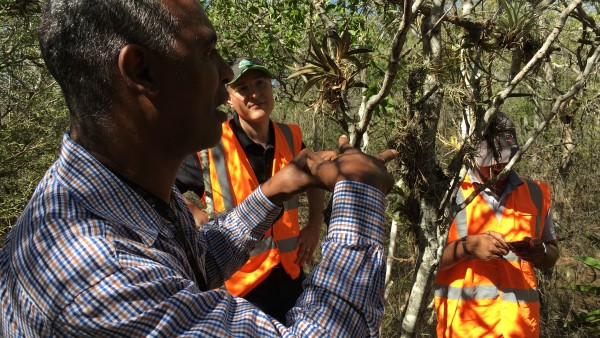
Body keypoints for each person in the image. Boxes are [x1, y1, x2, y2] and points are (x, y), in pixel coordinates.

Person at [0, 0, 396, 337]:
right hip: (248, 289)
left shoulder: (115, 195)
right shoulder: (98, 276)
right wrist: (359, 194)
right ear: (141, 71)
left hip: (286, 276)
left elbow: (194, 261)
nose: (226, 76)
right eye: (208, 52)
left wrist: (274, 190)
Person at [176, 57, 324, 322]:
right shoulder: (209, 145)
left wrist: (314, 224)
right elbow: (162, 190)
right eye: (242, 88)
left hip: (290, 273)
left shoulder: (291, 136)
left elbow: (314, 176)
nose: (255, 93)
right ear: (228, 98)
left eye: (261, 83)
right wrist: (191, 211)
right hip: (240, 287)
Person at [434, 112, 560, 337]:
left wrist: (539, 251)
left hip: (520, 327)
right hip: (465, 329)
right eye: (490, 162)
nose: (500, 166)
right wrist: (467, 247)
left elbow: (551, 256)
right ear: (470, 154)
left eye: (505, 159)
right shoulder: (446, 193)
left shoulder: (536, 193)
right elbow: (425, 263)